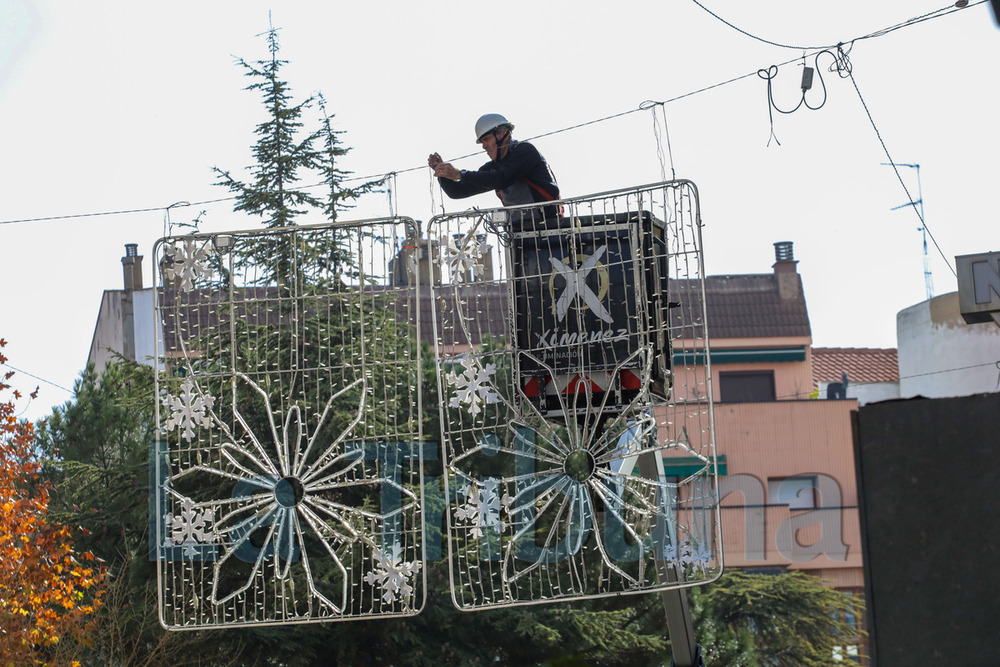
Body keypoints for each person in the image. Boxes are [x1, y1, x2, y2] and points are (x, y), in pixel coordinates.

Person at [428, 114, 559, 227]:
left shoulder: (525, 151)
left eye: (487, 139)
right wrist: (442, 173)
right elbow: (457, 191)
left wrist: (459, 174)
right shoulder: (493, 167)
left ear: (503, 133)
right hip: (520, 233)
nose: (484, 146)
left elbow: (502, 178)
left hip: (550, 229)